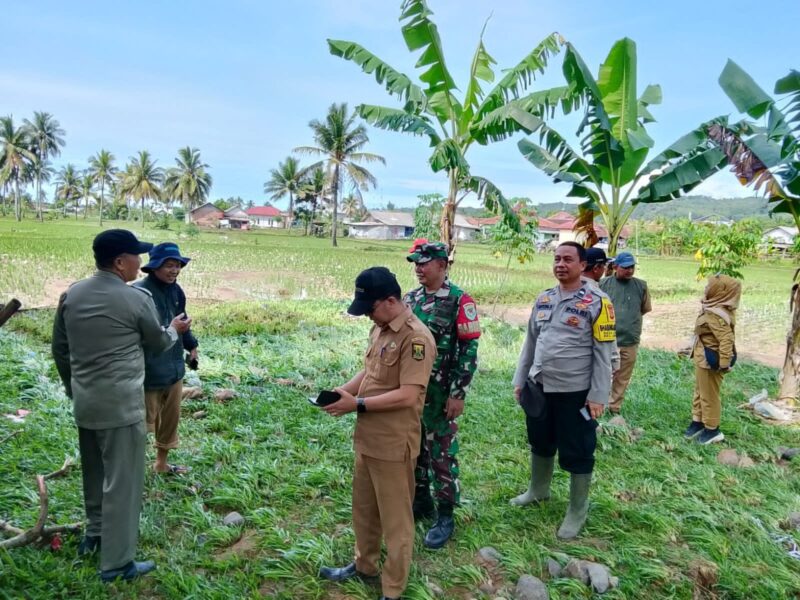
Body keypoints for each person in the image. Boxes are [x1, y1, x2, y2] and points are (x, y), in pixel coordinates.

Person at [51, 229, 191, 582]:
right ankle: (116, 563)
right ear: (119, 262)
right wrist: (175, 329)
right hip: (122, 406)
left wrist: (74, 388)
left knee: (94, 474)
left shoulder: (73, 294)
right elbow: (158, 342)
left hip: (87, 403)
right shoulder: (135, 299)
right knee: (123, 483)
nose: (140, 262)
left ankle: (95, 535)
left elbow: (60, 350)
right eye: (135, 256)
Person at [319, 267, 435, 600]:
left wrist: (356, 404)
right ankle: (364, 565)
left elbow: (409, 395)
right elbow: (370, 371)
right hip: (368, 439)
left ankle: (393, 589)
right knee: (365, 510)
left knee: (396, 522)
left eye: (371, 308)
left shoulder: (416, 338)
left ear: (391, 301)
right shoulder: (381, 328)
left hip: (394, 444)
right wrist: (343, 392)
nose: (368, 315)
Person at [511, 242, 615, 540]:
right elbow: (531, 342)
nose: (560, 264)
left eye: (568, 259)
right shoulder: (544, 298)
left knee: (578, 449)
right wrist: (521, 379)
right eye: (556, 259)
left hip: (575, 391)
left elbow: (604, 352)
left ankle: (577, 509)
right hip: (540, 386)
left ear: (582, 265)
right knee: (540, 439)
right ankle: (538, 490)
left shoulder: (598, 301)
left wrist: (598, 395)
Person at [403, 239, 480, 549]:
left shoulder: (460, 300)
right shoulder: (410, 299)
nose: (419, 268)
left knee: (441, 454)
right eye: (416, 264)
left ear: (442, 265)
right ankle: (420, 501)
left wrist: (458, 393)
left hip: (441, 393)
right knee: (414, 447)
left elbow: (469, 350)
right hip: (412, 391)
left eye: (424, 263)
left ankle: (445, 514)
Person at [133, 243, 198, 474]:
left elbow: (182, 321)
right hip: (149, 369)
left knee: (170, 419)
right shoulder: (139, 293)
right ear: (154, 267)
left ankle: (161, 463)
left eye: (178, 265)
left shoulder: (176, 290)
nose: (175, 270)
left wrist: (191, 345)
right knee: (141, 423)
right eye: (169, 265)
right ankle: (131, 468)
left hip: (174, 367)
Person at [685, 274, 741, 444]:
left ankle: (712, 429)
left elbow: (726, 339)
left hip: (711, 361)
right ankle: (698, 421)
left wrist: (723, 364)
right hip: (702, 357)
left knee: (709, 396)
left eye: (709, 286)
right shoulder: (711, 307)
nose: (706, 288)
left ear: (720, 291)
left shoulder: (716, 314)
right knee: (700, 392)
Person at [600, 251, 652, 414]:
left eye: (632, 267)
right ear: (615, 267)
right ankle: (598, 405)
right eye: (625, 267)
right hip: (607, 339)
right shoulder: (603, 284)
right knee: (602, 374)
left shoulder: (641, 286)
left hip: (630, 339)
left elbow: (644, 308)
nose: (629, 270)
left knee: (622, 377)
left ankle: (614, 407)